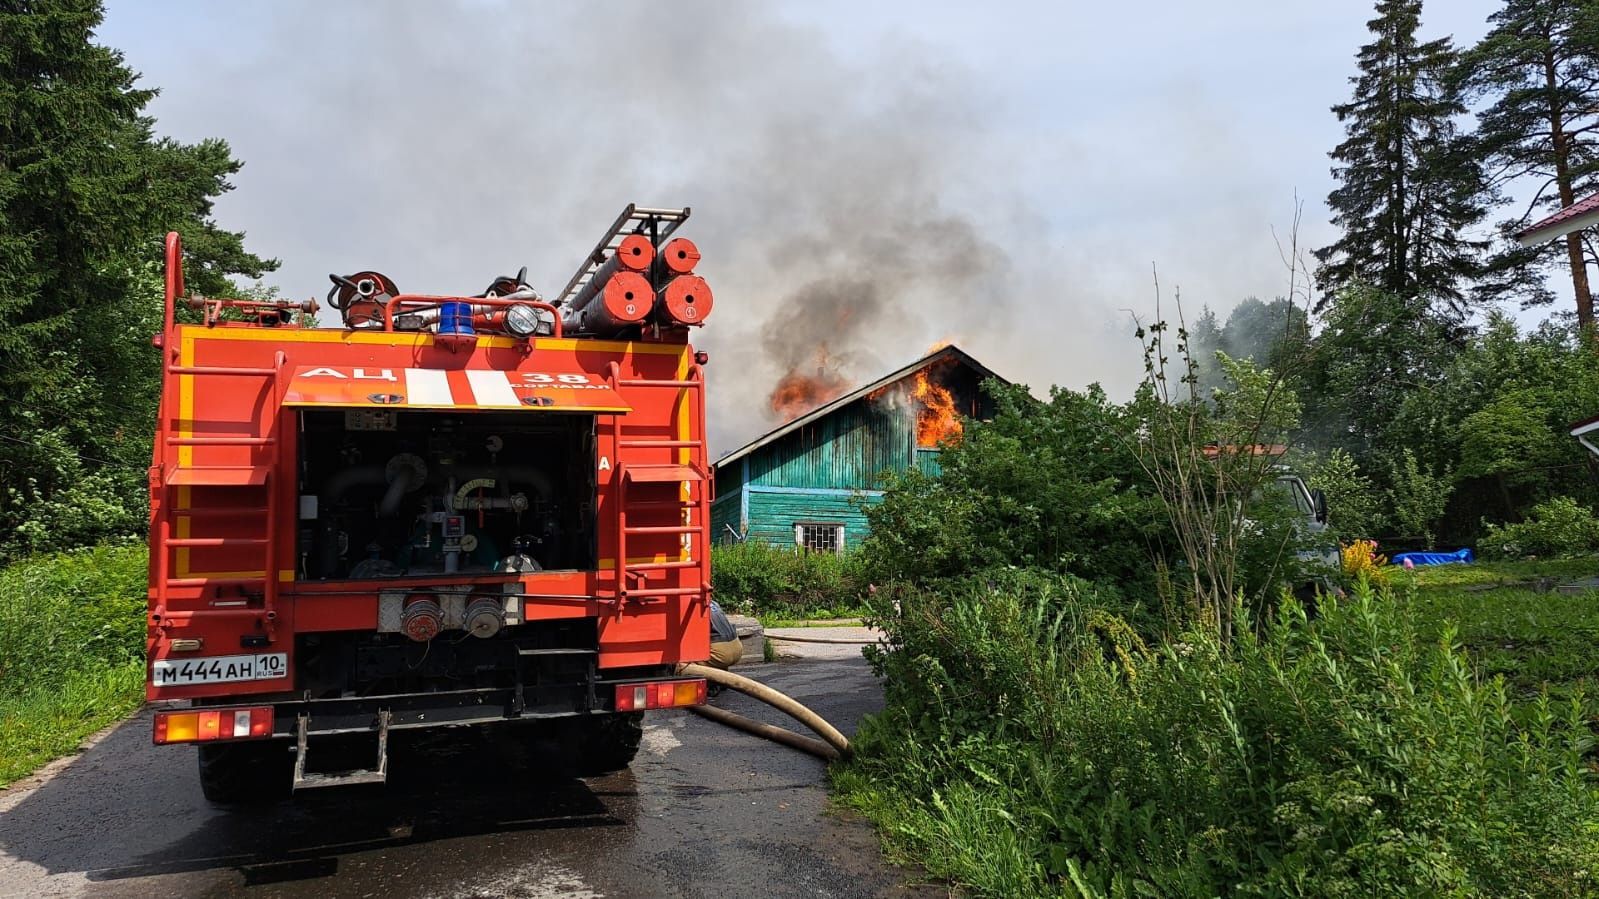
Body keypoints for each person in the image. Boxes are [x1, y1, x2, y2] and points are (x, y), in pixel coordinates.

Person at [707, 598, 743, 670]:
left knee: (683, 663)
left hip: (719, 653)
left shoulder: (689, 605)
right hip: (737, 647)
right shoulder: (713, 603)